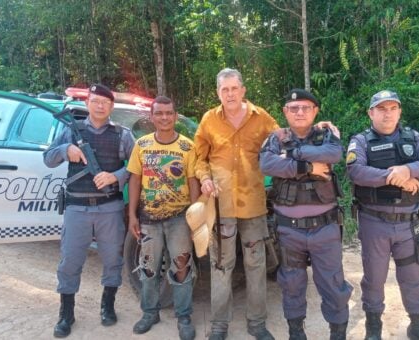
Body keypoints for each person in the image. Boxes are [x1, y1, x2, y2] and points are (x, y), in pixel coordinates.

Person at [346, 90, 419, 340]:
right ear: (371, 113)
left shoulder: (413, 137)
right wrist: (399, 179)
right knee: (374, 279)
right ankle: (373, 327)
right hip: (374, 222)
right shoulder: (362, 140)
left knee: (411, 277)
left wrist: (408, 169)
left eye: (392, 108)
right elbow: (356, 171)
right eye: (381, 109)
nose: (387, 114)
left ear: (399, 111)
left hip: (408, 224)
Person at [259, 89, 353, 340]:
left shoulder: (326, 135)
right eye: (294, 108)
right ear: (285, 112)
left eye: (305, 107)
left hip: (325, 228)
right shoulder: (276, 138)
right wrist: (308, 166)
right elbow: (267, 164)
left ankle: (338, 333)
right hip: (289, 230)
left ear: (315, 111)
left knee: (333, 284)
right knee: (292, 284)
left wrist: (291, 155)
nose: (299, 112)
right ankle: (296, 333)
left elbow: (334, 155)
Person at [43, 84, 135, 338]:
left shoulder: (123, 135)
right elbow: (48, 158)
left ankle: (108, 306)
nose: (100, 105)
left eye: (105, 102)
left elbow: (137, 165)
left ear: (111, 106)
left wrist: (115, 176)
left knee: (112, 261)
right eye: (95, 101)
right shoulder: (71, 131)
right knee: (70, 261)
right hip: (76, 208)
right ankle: (66, 313)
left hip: (109, 208)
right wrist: (65, 150)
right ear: (87, 104)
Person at [193, 68, 278, 340]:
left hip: (254, 206)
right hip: (222, 208)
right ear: (218, 93)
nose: (229, 94)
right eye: (224, 90)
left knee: (256, 265)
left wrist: (316, 128)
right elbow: (199, 158)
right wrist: (204, 178)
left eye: (233, 88)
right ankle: (219, 326)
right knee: (221, 266)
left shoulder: (261, 117)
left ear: (243, 90)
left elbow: (283, 141)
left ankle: (257, 323)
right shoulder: (209, 120)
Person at [127, 96, 200, 340]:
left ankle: (184, 316)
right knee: (148, 268)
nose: (165, 117)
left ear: (176, 116)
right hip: (148, 218)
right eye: (159, 113)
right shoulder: (142, 145)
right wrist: (132, 215)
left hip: (179, 218)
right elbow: (135, 180)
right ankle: (149, 313)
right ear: (152, 117)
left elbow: (192, 182)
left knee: (182, 267)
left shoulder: (187, 147)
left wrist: (195, 218)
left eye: (169, 113)